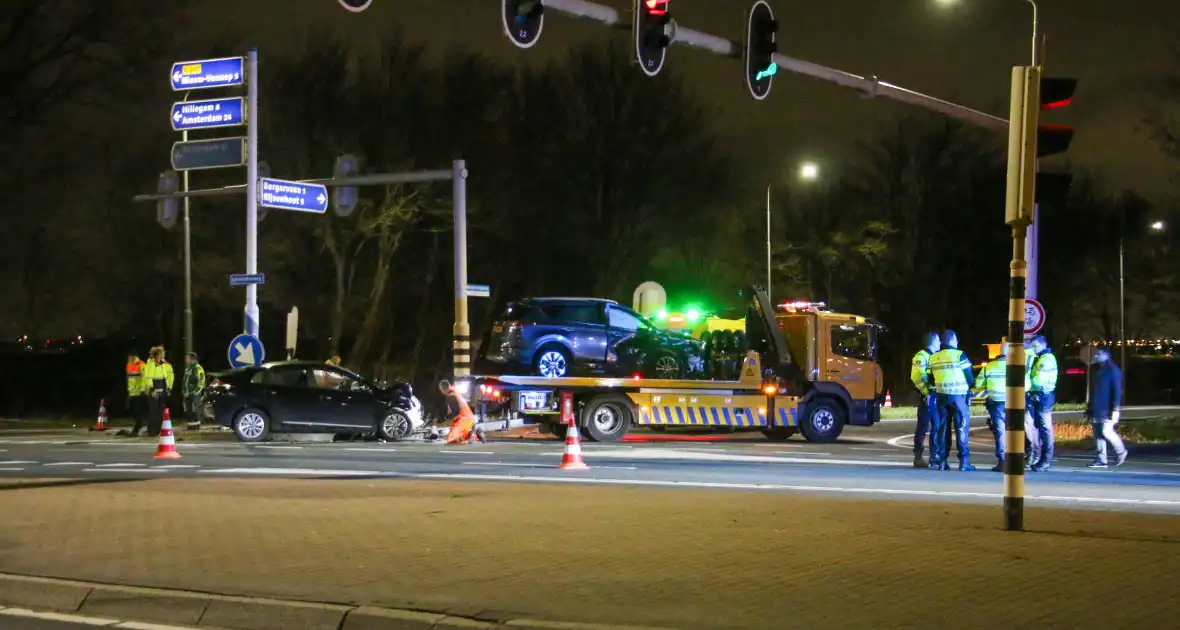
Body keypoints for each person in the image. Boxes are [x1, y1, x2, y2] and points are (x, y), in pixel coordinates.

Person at [929, 330, 976, 471]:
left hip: (941, 397)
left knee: (943, 429)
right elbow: (970, 376)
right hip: (958, 397)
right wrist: (969, 387)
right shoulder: (959, 355)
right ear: (951, 341)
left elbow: (930, 378)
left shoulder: (933, 357)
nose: (957, 343)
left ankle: (943, 462)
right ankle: (964, 462)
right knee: (961, 427)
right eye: (956, 340)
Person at [1086, 347, 1127, 468]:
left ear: (1106, 355)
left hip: (1107, 408)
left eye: (1098, 354)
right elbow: (1095, 391)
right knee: (1098, 433)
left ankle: (1121, 451)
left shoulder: (1113, 370)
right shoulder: (1098, 369)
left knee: (1106, 431)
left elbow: (1117, 391)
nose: (1096, 356)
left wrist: (1115, 408)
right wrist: (1090, 408)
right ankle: (1101, 459)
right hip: (1097, 408)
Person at [1025, 335, 1058, 472]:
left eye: (1035, 346)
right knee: (1040, 428)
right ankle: (1041, 459)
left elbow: (1037, 381)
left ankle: (1046, 460)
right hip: (1039, 396)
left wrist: (1027, 376)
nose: (1033, 348)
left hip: (1043, 396)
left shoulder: (1046, 359)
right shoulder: (1040, 358)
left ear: (1042, 345)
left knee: (1045, 429)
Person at [975, 343, 1009, 472]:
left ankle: (1002, 461)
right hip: (1014, 404)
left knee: (1000, 432)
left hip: (996, 403)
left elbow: (978, 383)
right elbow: (1027, 385)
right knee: (1016, 432)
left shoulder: (989, 367)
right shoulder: (1018, 366)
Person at [909, 332, 941, 468]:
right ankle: (918, 457)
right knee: (923, 427)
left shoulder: (934, 357)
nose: (940, 343)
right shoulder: (921, 356)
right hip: (927, 397)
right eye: (938, 341)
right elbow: (916, 377)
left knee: (937, 426)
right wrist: (926, 393)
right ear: (933, 342)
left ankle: (934, 456)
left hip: (934, 395)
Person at [439, 379, 484, 444]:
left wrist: (446, 417)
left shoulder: (450, 397)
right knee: (459, 436)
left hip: (463, 420)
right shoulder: (456, 393)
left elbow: (456, 412)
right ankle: (474, 432)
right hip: (470, 419)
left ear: (442, 389)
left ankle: (473, 433)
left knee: (451, 439)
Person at [142, 346, 175, 437]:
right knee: (153, 411)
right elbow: (148, 377)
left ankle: (158, 430)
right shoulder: (151, 364)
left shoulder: (165, 364)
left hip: (163, 390)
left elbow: (168, 378)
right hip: (154, 390)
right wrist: (151, 389)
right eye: (162, 352)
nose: (164, 354)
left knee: (161, 412)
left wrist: (169, 388)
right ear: (158, 354)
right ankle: (151, 431)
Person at [125, 351, 149, 437]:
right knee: (132, 410)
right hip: (132, 393)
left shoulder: (141, 364)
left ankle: (138, 427)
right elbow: (129, 380)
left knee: (138, 411)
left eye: (130, 357)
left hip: (139, 392)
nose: (129, 359)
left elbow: (144, 378)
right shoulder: (128, 365)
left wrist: (143, 389)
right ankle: (141, 424)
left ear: (134, 357)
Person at [183, 352, 206, 426]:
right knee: (190, 410)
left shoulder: (197, 368)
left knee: (194, 410)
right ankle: (191, 425)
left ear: (191, 359)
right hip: (188, 394)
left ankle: (195, 425)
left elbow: (201, 381)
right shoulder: (189, 368)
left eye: (187, 358)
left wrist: (195, 392)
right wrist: (184, 391)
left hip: (194, 394)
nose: (186, 359)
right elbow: (185, 380)